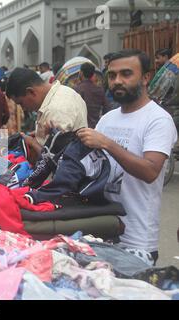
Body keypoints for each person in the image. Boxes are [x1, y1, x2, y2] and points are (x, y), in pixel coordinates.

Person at [77, 49, 177, 264]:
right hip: (101, 231)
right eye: (112, 76)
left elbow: (150, 171)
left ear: (145, 78)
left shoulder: (158, 120)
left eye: (126, 74)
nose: (117, 81)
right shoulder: (107, 119)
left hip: (137, 242)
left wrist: (106, 143)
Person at [6, 67, 87, 164]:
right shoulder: (63, 92)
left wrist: (32, 142)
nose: (23, 109)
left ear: (31, 92)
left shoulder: (57, 110)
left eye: (21, 103)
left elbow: (59, 160)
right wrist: (38, 134)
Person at [74, 63, 111, 129]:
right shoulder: (99, 89)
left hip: (81, 128)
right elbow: (107, 108)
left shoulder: (78, 89)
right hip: (96, 127)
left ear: (81, 73)